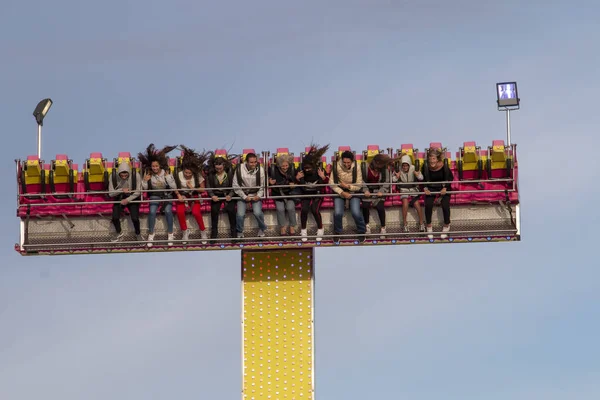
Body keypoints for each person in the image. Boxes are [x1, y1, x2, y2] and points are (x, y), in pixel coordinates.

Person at [138, 144, 177, 247]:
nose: (154, 168)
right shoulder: (149, 174)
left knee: (168, 211)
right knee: (151, 212)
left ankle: (170, 233)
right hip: (155, 195)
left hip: (166, 195)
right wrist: (145, 181)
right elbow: (145, 189)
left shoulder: (166, 173)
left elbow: (174, 187)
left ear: (160, 166)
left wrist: (168, 178)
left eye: (156, 166)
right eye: (153, 166)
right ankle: (151, 234)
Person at [174, 146, 209, 244]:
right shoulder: (178, 174)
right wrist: (178, 195)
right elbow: (174, 187)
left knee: (196, 212)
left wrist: (193, 188)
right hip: (182, 196)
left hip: (194, 195)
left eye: (190, 173)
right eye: (186, 173)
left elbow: (202, 189)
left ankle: (203, 231)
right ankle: (185, 232)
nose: (188, 175)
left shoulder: (198, 175)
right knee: (180, 211)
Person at [330, 150, 366, 243]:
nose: (346, 165)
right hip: (340, 191)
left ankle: (362, 231)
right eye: (344, 162)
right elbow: (331, 183)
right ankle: (337, 231)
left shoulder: (357, 167)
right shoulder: (336, 166)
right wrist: (342, 192)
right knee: (338, 213)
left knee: (355, 212)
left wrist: (349, 187)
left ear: (352, 161)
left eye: (348, 163)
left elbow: (359, 185)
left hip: (353, 191)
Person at [296, 144, 330, 242]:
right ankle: (303, 230)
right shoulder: (301, 170)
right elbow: (300, 184)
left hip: (317, 193)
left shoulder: (319, 170)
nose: (307, 170)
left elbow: (324, 184)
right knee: (304, 209)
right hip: (306, 193)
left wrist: (324, 177)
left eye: (309, 168)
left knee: (314, 209)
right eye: (305, 168)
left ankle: (320, 228)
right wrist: (297, 179)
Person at [232, 152, 267, 238]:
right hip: (243, 194)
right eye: (251, 162)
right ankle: (240, 231)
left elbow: (263, 186)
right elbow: (235, 185)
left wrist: (258, 195)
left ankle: (262, 229)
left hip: (255, 194)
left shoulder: (261, 170)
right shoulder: (239, 169)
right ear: (246, 162)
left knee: (257, 213)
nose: (254, 164)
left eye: (255, 162)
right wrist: (244, 196)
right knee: (240, 214)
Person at [361, 153, 395, 238]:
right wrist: (365, 190)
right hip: (368, 191)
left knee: (380, 207)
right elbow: (361, 180)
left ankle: (383, 227)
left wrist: (382, 191)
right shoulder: (365, 168)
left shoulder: (384, 170)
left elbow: (387, 182)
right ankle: (367, 225)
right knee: (365, 206)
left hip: (378, 191)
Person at [423, 148, 454, 239]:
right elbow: (423, 180)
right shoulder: (425, 167)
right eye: (430, 159)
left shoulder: (444, 166)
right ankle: (429, 226)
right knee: (428, 204)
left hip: (444, 187)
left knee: (445, 205)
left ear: (437, 159)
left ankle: (446, 225)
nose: (432, 161)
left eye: (434, 159)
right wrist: (425, 188)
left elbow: (450, 178)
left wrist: (445, 188)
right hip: (431, 187)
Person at [108, 162, 143, 242]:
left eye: (126, 175)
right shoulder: (112, 177)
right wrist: (121, 190)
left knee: (135, 218)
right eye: (122, 175)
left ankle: (138, 234)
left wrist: (127, 200)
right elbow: (110, 194)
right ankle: (119, 232)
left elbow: (138, 192)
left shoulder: (136, 175)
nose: (124, 177)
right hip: (120, 195)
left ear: (129, 173)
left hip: (133, 197)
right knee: (115, 217)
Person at [206, 153, 237, 240]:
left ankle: (234, 232)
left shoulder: (230, 173)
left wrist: (230, 195)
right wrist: (212, 196)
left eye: (220, 168)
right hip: (216, 195)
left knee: (231, 210)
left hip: (228, 194)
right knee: (214, 210)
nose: (219, 170)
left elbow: (234, 186)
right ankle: (214, 232)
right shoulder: (211, 174)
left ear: (224, 166)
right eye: (217, 169)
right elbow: (208, 187)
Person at [393, 154, 426, 233]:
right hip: (404, 188)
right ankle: (405, 224)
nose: (405, 167)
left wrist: (417, 175)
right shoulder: (399, 170)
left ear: (409, 164)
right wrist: (397, 177)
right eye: (403, 166)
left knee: (417, 203)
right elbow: (393, 180)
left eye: (406, 166)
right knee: (405, 203)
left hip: (413, 188)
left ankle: (421, 223)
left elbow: (421, 178)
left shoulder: (414, 168)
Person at [268, 154, 298, 236]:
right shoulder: (273, 170)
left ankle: (292, 226)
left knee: (290, 207)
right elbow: (265, 178)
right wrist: (269, 182)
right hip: (278, 194)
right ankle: (282, 227)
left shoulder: (292, 169)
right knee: (280, 209)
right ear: (279, 165)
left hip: (289, 194)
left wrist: (295, 182)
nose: (285, 167)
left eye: (286, 165)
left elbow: (297, 180)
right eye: (283, 166)